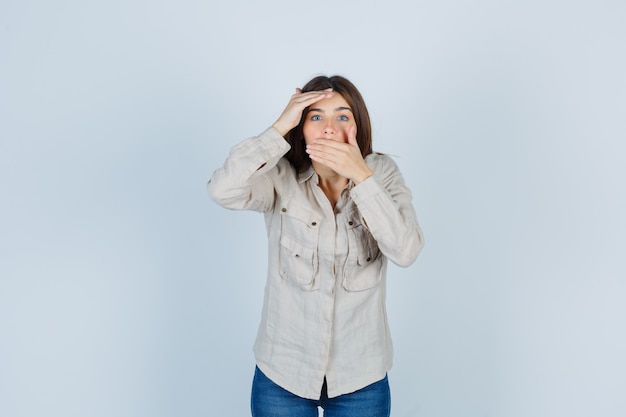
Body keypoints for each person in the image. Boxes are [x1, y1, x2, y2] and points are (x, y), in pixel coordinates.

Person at [208, 75, 424, 417]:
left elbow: (406, 250)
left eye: (342, 116)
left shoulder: (382, 174)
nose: (328, 127)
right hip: (283, 373)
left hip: (361, 376)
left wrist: (361, 177)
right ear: (301, 127)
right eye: (315, 116)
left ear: (358, 125)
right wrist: (279, 127)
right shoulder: (280, 176)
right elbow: (222, 190)